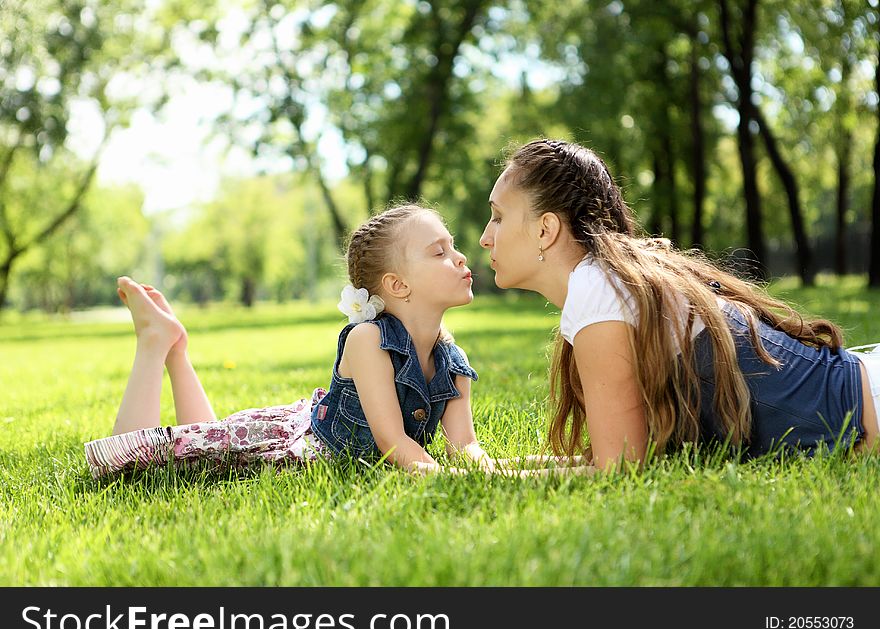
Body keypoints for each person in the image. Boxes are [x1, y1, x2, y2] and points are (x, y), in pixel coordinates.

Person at [85, 203, 590, 479]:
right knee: (135, 462)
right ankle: (156, 346)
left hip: (314, 425)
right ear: (397, 286)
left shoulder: (449, 353)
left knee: (206, 444)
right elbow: (394, 446)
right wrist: (498, 481)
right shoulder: (368, 340)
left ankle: (177, 351)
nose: (462, 258)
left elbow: (466, 450)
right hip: (302, 446)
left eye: (454, 247)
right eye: (440, 252)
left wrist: (562, 466)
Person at [479, 138, 880, 471]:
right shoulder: (607, 280)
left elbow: (619, 469)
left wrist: (487, 476)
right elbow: (620, 455)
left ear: (546, 229)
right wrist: (488, 466)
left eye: (497, 217)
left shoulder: (595, 287)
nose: (485, 237)